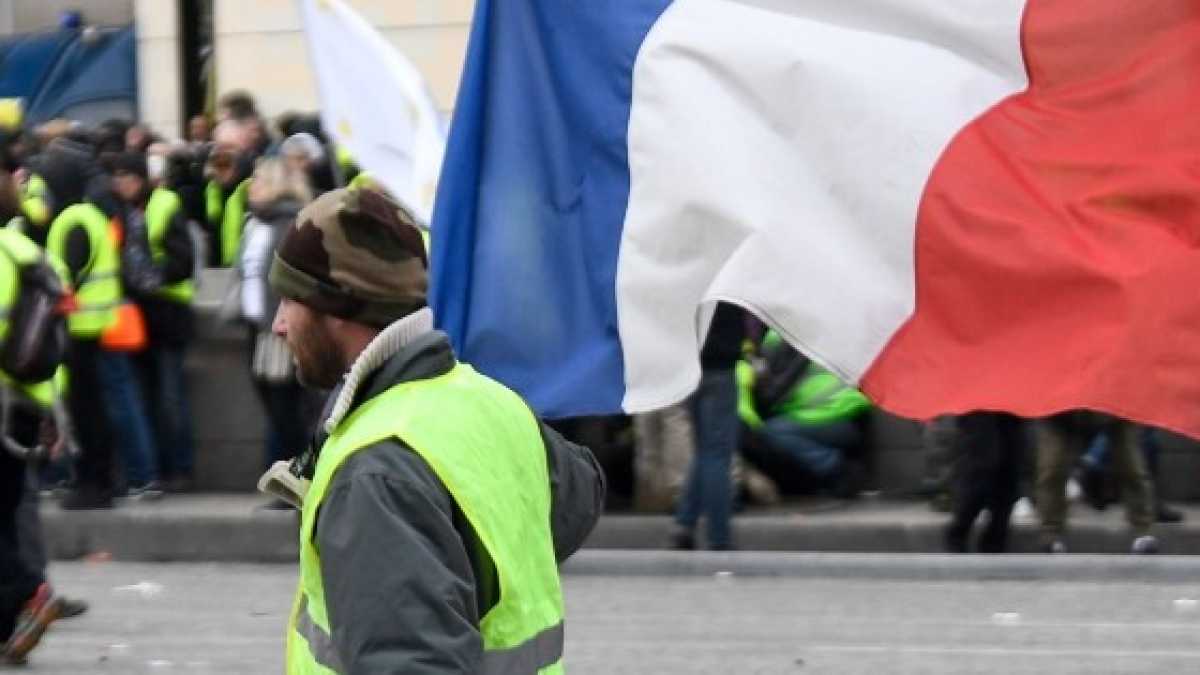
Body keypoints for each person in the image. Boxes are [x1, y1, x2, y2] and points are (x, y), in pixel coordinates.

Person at [269, 186, 604, 672]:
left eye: (290, 299)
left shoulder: (377, 471)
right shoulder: (489, 401)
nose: (279, 324)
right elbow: (582, 493)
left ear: (338, 308)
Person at [0, 182, 69, 662]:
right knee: (5, 512)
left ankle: (28, 592)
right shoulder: (29, 250)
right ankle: (12, 620)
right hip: (25, 405)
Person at [112, 152, 198, 493]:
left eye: (128, 176)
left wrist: (148, 275)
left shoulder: (164, 204)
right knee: (147, 398)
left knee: (169, 397)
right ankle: (160, 468)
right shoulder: (118, 211)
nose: (123, 183)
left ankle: (180, 468)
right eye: (118, 177)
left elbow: (184, 262)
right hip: (139, 317)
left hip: (167, 314)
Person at [238, 158, 319, 480]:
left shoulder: (289, 222)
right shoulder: (255, 223)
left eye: (258, 179)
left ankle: (293, 473)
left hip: (281, 326)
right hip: (256, 326)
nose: (251, 185)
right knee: (273, 402)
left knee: (286, 405)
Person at [737, 331, 871, 499]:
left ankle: (836, 468)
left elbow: (776, 390)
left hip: (838, 415)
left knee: (773, 431)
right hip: (840, 411)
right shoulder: (792, 329)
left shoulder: (788, 333)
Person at [669, 303, 745, 550]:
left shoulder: (693, 267)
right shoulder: (729, 270)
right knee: (717, 455)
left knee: (703, 451)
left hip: (692, 366)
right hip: (722, 369)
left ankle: (685, 523)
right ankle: (718, 536)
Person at [1034, 411, 1158, 554]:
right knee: (1052, 468)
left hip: (1113, 403)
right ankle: (1050, 534)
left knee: (1131, 466)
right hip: (1061, 408)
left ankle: (1143, 531)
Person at [943, 413, 1026, 553]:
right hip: (981, 409)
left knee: (1007, 474)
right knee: (981, 473)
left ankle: (993, 543)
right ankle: (959, 533)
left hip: (1009, 409)